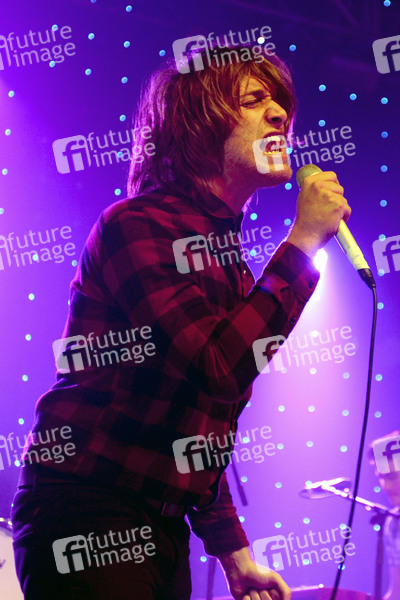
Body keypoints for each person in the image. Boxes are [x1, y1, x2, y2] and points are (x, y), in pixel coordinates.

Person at [11, 42, 351, 600]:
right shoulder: (137, 225)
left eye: (282, 105)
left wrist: (236, 558)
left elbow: (198, 427)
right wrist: (303, 241)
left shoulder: (231, 266)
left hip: (163, 527)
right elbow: (216, 367)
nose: (279, 115)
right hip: (86, 508)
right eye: (254, 100)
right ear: (198, 122)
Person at [369, 432, 400, 600]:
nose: (385, 487)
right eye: (381, 478)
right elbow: (397, 591)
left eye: (391, 477)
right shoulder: (394, 523)